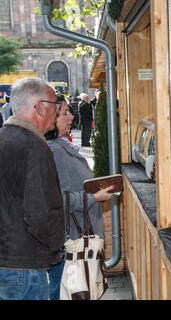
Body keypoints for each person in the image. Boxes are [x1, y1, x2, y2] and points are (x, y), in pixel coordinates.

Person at [0, 77, 65, 300]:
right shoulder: (34, 146)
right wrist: (57, 247)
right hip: (24, 267)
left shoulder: (4, 139)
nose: (57, 112)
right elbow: (42, 213)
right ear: (39, 108)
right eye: (55, 105)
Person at [45, 94, 114, 300]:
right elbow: (59, 200)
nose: (72, 117)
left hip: (74, 238)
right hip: (71, 242)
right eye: (65, 113)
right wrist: (95, 197)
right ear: (50, 118)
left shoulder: (60, 145)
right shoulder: (54, 150)